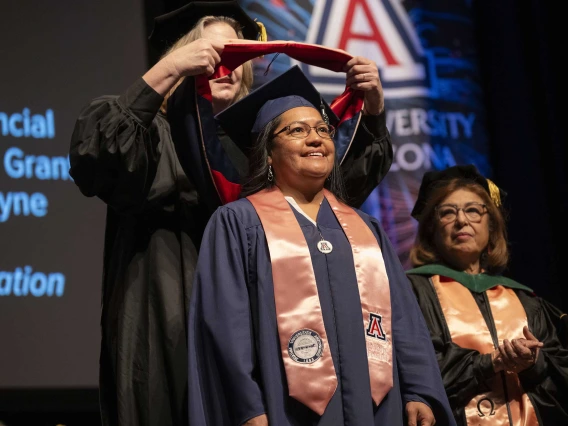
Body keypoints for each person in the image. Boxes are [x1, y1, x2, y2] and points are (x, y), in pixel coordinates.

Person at [68, 1, 393, 425]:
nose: (226, 65)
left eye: (237, 55)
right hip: (167, 312)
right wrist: (169, 70)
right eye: (212, 52)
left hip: (254, 322)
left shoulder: (255, 150)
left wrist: (372, 112)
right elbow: (99, 159)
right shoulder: (148, 130)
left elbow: (333, 195)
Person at [187, 66, 455, 426]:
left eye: (323, 130)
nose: (316, 139)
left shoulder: (365, 228)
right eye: (297, 130)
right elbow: (225, 326)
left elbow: (402, 318)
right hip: (282, 409)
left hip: (377, 407)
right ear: (267, 153)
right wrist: (247, 407)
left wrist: (420, 389)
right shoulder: (239, 224)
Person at [406, 165, 568, 425]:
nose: (462, 221)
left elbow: (559, 377)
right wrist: (490, 362)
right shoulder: (411, 292)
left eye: (473, 210)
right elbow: (413, 369)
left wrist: (533, 363)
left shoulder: (526, 300)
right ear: (430, 231)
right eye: (447, 212)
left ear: (492, 227)